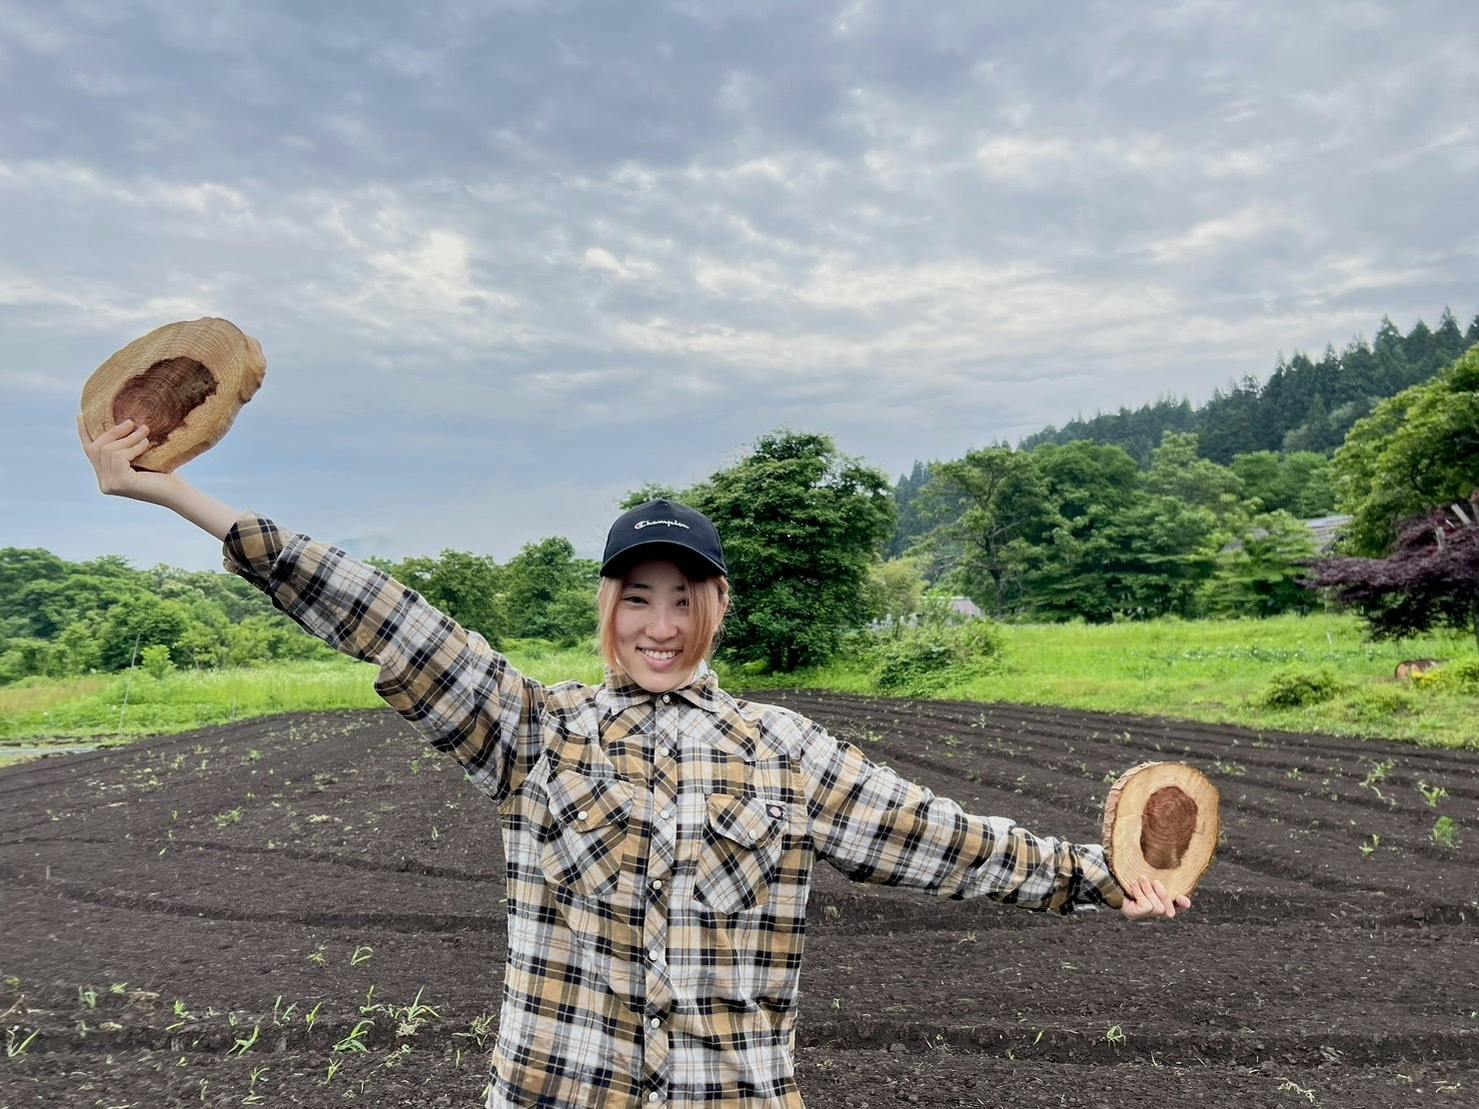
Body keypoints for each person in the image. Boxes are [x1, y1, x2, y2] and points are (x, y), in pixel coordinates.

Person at [80, 415, 1191, 1109]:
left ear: (717, 606)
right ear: (608, 606)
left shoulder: (786, 752)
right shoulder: (535, 733)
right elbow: (387, 618)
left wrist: (1102, 876)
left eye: (684, 599)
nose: (660, 625)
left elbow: (949, 841)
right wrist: (180, 495)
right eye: (636, 598)